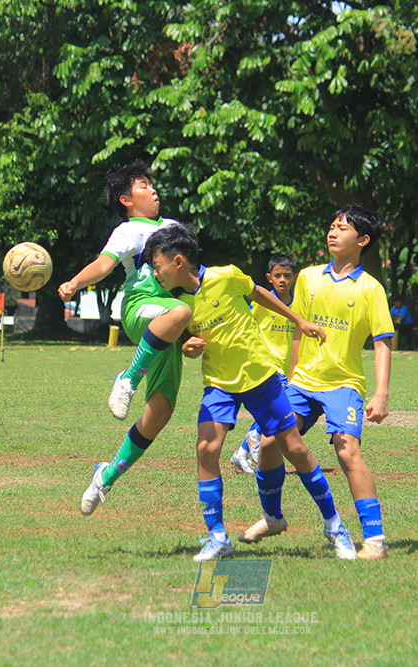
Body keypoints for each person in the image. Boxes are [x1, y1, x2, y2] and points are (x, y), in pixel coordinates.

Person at [144, 224, 359, 562]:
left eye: (157, 266)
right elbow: (180, 333)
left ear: (178, 261)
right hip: (219, 384)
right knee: (206, 448)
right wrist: (187, 343)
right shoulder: (173, 301)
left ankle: (335, 526)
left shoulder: (225, 276)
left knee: (297, 451)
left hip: (260, 377)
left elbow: (258, 292)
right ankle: (217, 537)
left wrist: (299, 321)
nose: (155, 273)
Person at [248, 204, 394, 560]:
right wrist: (292, 377)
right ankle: (273, 517)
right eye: (331, 226)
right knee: (268, 443)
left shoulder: (371, 289)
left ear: (362, 240)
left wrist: (381, 393)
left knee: (347, 451)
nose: (332, 232)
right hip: (302, 382)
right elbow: (300, 331)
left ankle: (374, 540)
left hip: (344, 384)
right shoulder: (309, 277)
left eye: (342, 228)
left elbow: (382, 341)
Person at [57, 161, 191, 515]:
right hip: (141, 308)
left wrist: (190, 336)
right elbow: (104, 265)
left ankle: (107, 475)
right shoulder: (128, 230)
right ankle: (128, 377)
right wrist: (74, 282)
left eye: (151, 183)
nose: (153, 189)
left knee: (159, 414)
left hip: (171, 326)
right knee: (178, 312)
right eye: (143, 185)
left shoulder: (175, 228)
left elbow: (190, 280)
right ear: (126, 199)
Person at [229, 254, 298, 476]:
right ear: (269, 277)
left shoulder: (299, 303)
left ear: (294, 277)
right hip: (266, 366)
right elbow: (246, 324)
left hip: (288, 367)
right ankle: (254, 441)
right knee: (280, 409)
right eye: (277, 275)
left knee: (276, 411)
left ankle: (241, 452)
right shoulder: (262, 301)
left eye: (287, 276)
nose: (282, 280)